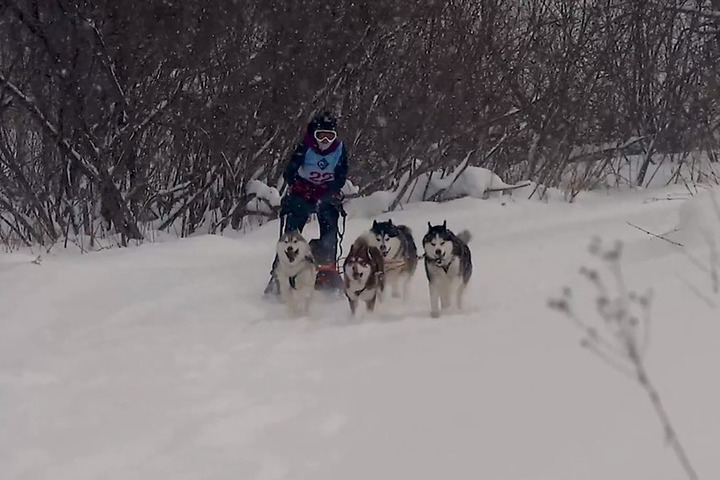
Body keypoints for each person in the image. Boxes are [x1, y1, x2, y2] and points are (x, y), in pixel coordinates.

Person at [264, 111, 349, 296]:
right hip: (303, 192)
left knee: (329, 226)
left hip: (325, 193)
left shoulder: (340, 150)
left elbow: (341, 175)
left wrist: (329, 190)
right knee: (292, 233)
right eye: (321, 136)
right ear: (314, 135)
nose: (325, 141)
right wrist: (301, 188)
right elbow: (290, 172)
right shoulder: (305, 147)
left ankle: (327, 270)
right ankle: (281, 273)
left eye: (329, 136)